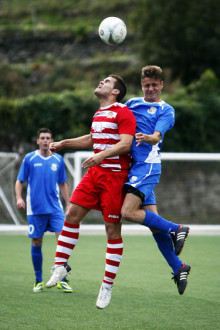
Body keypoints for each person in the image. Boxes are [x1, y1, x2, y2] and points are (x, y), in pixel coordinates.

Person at [45, 75, 137, 309]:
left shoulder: (123, 112)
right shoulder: (98, 113)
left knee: (111, 230)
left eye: (106, 81)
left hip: (115, 177)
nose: (101, 82)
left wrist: (101, 155)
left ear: (115, 92)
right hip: (95, 174)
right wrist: (65, 142)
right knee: (71, 215)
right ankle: (60, 266)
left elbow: (126, 144)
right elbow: (91, 139)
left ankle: (107, 285)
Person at [121, 65, 191, 295]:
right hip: (134, 169)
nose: (150, 88)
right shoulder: (132, 103)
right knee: (154, 226)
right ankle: (179, 267)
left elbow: (156, 136)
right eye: (146, 85)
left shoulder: (166, 110)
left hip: (148, 167)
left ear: (162, 85)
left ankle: (178, 228)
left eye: (154, 84)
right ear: (142, 85)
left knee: (127, 213)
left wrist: (147, 137)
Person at [15, 128, 73, 293]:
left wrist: (68, 202)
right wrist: (19, 197)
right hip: (35, 210)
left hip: (55, 209)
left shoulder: (58, 159)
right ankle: (38, 280)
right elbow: (20, 181)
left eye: (48, 138)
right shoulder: (30, 158)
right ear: (38, 141)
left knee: (63, 242)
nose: (46, 141)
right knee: (36, 243)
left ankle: (62, 279)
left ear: (52, 140)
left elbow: (62, 182)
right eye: (43, 138)